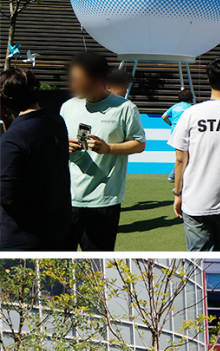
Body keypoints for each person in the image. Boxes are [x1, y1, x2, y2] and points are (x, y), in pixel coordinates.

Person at [61, 53, 145, 251]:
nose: (73, 85)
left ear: (96, 78)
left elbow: (139, 144)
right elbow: (57, 143)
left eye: (77, 79)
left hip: (103, 200)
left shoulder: (125, 108)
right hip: (68, 198)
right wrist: (64, 145)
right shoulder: (67, 107)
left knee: (97, 263)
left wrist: (109, 148)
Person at [169, 57, 220, 252]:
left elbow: (180, 160)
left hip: (195, 201)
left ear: (208, 81)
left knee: (199, 258)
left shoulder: (191, 113)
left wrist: (178, 193)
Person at [0, 67, 71, 250]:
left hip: (22, 238)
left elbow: (6, 196)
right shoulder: (56, 121)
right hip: (56, 228)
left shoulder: (12, 139)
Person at [162, 89, 194, 181]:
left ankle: (174, 174)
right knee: (186, 154)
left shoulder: (175, 106)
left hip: (174, 132)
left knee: (180, 154)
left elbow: (164, 116)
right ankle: (173, 175)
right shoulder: (189, 107)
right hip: (185, 132)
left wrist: (171, 124)